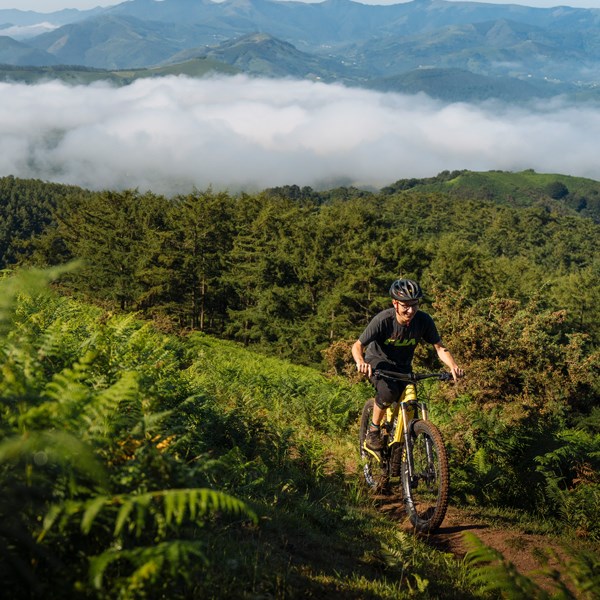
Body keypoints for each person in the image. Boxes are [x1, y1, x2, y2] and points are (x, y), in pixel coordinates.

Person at [351, 278, 464, 452]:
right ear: (395, 303)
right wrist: (361, 362)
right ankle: (373, 430)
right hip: (378, 361)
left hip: (403, 366)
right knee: (389, 393)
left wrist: (453, 366)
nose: (410, 310)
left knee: (411, 398)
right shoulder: (383, 320)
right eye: (405, 306)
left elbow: (440, 348)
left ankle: (405, 444)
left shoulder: (424, 321)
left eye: (414, 305)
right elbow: (357, 346)